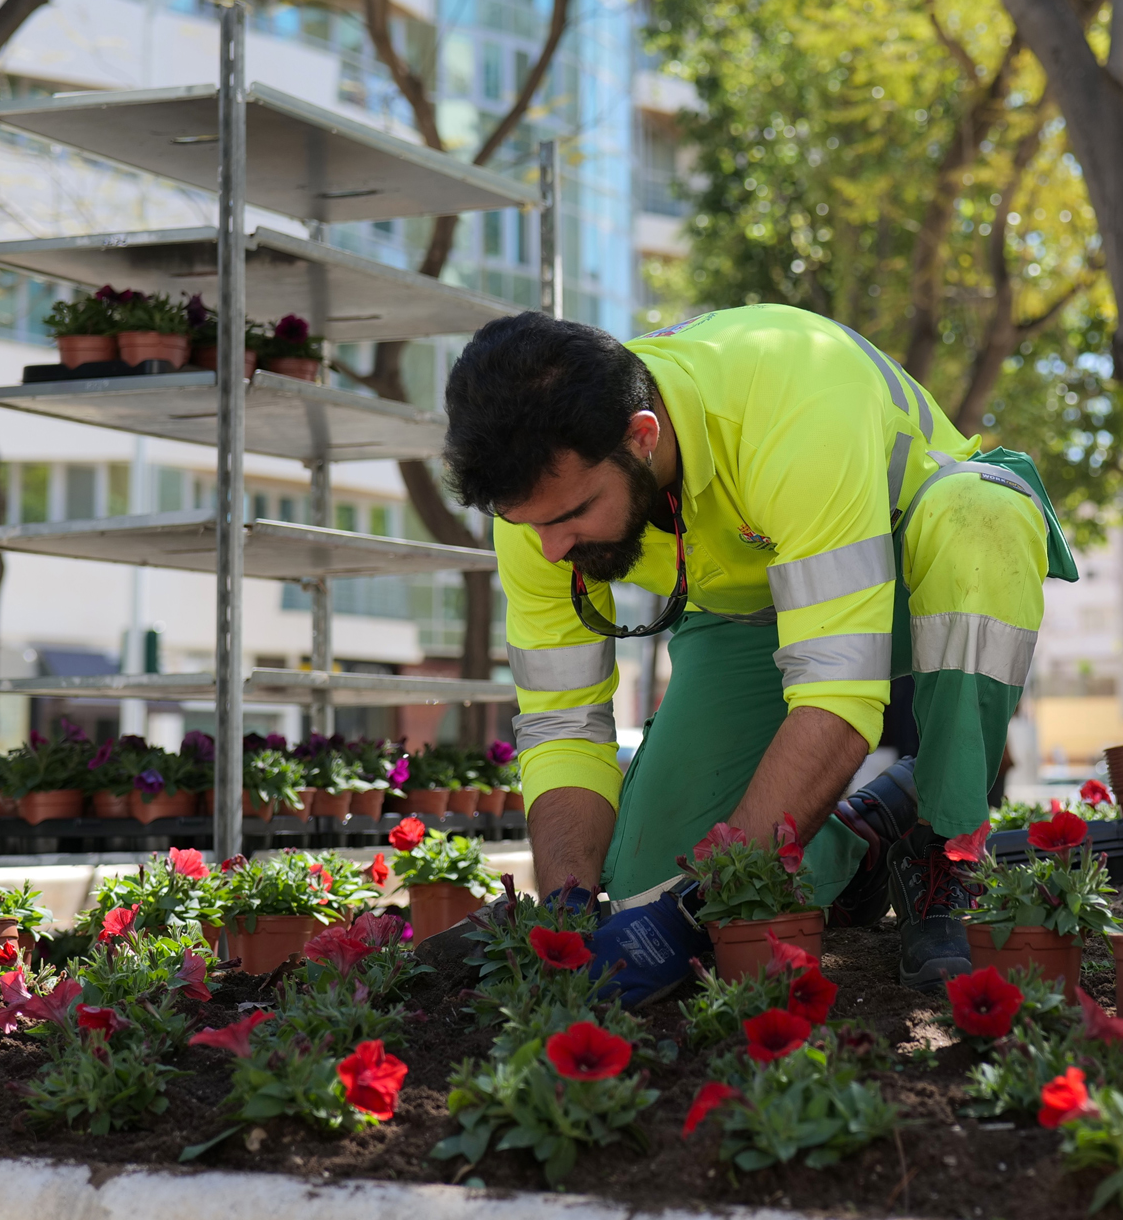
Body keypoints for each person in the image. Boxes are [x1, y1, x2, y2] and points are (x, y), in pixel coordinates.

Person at [440, 306, 1076, 1002]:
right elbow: (562, 724)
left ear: (641, 437)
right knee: (642, 890)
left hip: (908, 565)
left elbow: (839, 691)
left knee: (980, 517)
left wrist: (698, 906)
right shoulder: (538, 510)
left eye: (572, 516)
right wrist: (569, 905)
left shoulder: (793, 397)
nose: (552, 549)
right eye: (529, 525)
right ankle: (861, 844)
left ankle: (945, 849)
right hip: (750, 612)